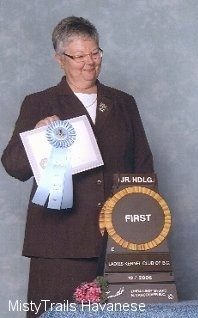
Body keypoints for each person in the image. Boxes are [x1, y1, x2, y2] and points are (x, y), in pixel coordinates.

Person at [2, 16, 154, 317]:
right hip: (58, 242)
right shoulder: (38, 103)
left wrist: (145, 228)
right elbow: (13, 166)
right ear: (60, 60)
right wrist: (36, 134)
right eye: (79, 56)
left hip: (118, 240)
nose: (90, 62)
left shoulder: (124, 103)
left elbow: (143, 167)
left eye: (95, 53)